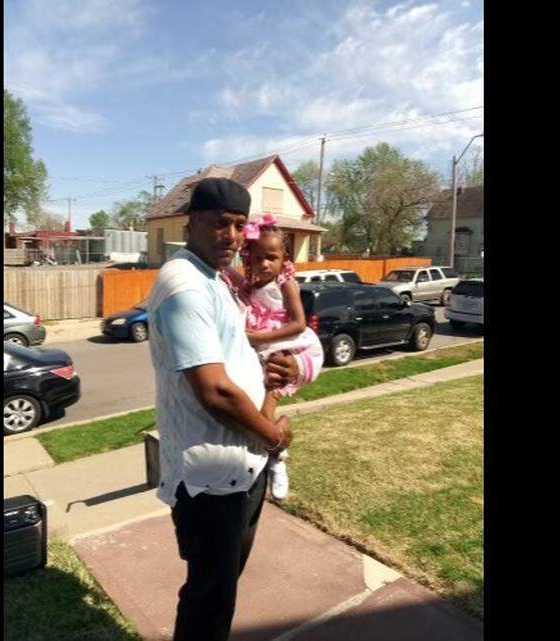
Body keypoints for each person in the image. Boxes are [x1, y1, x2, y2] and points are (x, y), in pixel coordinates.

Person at [147, 177, 301, 641]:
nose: (232, 236)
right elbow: (213, 391)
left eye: (239, 226)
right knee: (209, 597)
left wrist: (267, 374)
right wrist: (274, 436)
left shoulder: (212, 277)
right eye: (219, 223)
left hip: (242, 466)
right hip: (213, 478)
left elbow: (229, 356)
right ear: (192, 222)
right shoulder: (185, 287)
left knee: (221, 586)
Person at [222, 213, 324, 501]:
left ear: (284, 258)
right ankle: (269, 455)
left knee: (265, 414)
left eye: (271, 257)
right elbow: (233, 276)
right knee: (253, 410)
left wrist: (258, 338)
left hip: (285, 348)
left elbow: (298, 323)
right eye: (256, 257)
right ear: (247, 257)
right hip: (262, 353)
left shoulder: (286, 284)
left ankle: (278, 461)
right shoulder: (253, 286)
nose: (264, 264)